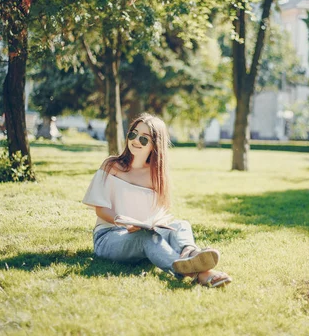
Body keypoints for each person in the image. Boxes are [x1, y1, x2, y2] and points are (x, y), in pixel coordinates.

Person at [82, 113, 232, 288]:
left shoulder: (157, 177)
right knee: (147, 238)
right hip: (108, 237)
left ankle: (189, 253)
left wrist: (157, 223)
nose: (136, 140)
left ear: (155, 145)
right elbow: (100, 209)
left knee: (181, 225)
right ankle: (198, 273)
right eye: (133, 134)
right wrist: (127, 223)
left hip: (139, 232)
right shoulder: (111, 166)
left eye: (144, 139)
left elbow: (157, 215)